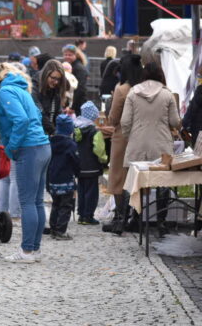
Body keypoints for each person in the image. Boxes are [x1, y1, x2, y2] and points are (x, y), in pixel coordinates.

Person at [0, 62, 50, 264]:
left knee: (27, 202)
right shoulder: (20, 88)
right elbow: (35, 115)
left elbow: (22, 120)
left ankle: (26, 251)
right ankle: (34, 249)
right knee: (36, 201)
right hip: (42, 146)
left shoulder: (6, 92)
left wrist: (11, 147)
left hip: (29, 148)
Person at [121, 62, 181, 237]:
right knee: (162, 182)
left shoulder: (133, 93)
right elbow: (175, 122)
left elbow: (125, 121)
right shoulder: (167, 95)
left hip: (137, 143)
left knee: (133, 182)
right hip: (161, 144)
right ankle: (161, 221)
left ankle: (132, 219)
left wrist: (129, 136)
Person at [102, 54, 142, 235]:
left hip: (122, 137)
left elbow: (113, 117)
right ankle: (137, 217)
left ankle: (120, 218)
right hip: (141, 136)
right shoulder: (143, 88)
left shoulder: (122, 89)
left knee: (118, 177)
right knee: (138, 177)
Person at [47, 115, 80, 241]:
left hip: (53, 178)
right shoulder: (71, 145)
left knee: (56, 204)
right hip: (66, 179)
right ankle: (61, 231)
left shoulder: (50, 142)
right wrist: (77, 173)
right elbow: (75, 161)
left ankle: (53, 228)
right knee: (66, 205)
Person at [74, 101, 107, 225]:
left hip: (79, 167)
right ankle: (88, 216)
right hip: (92, 167)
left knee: (81, 190)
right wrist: (104, 159)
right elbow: (99, 149)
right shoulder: (94, 131)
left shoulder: (76, 129)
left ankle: (81, 215)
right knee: (91, 192)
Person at [33, 60, 69, 135]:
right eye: (53, 78)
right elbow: (39, 113)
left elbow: (58, 113)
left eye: (58, 79)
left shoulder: (55, 89)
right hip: (36, 134)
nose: (56, 82)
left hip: (49, 133)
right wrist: (54, 131)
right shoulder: (34, 88)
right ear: (46, 75)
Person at [63, 44, 88, 114]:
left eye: (70, 55)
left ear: (75, 55)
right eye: (65, 54)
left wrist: (73, 107)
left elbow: (80, 88)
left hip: (78, 105)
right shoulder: (70, 67)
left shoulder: (78, 68)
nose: (67, 56)